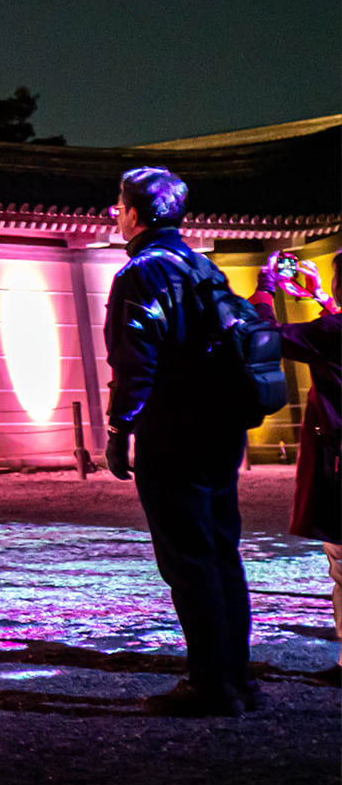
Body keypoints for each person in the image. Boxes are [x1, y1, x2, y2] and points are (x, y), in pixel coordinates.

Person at [103, 166, 255, 716]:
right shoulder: (203, 266)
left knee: (188, 558)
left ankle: (209, 685)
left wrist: (119, 429)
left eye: (118, 206)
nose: (116, 215)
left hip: (174, 430)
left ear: (134, 214)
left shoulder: (142, 272)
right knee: (221, 551)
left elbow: (135, 358)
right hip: (222, 427)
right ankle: (237, 677)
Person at [249, 253, 341, 686]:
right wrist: (321, 298)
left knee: (341, 562)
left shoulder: (332, 333)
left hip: (338, 458)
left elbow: (265, 336)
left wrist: (265, 287)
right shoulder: (333, 327)